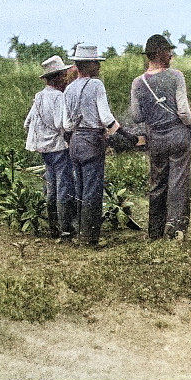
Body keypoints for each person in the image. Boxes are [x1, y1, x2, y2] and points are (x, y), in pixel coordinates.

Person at [63, 45, 140, 247]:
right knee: (92, 190)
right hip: (91, 141)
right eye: (96, 62)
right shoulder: (96, 85)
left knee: (79, 188)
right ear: (88, 65)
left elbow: (66, 125)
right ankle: (90, 238)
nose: (99, 66)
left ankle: (80, 233)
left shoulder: (69, 89)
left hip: (75, 141)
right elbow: (106, 118)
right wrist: (128, 136)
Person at [130, 34, 191, 241]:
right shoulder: (176, 76)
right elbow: (184, 112)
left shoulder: (138, 82)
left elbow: (136, 116)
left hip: (156, 139)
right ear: (160, 53)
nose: (171, 55)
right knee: (178, 181)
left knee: (157, 182)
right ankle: (176, 227)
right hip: (179, 134)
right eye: (168, 51)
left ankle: (154, 230)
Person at [24, 55, 76, 240]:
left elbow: (27, 122)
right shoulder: (58, 97)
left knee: (51, 187)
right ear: (57, 77)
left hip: (43, 149)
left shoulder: (38, 97)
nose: (65, 78)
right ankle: (65, 230)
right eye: (63, 75)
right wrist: (74, 123)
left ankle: (53, 228)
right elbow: (60, 124)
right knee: (63, 188)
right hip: (58, 148)